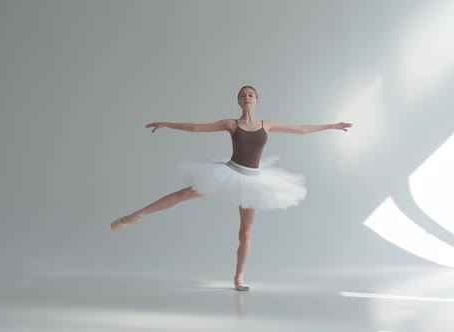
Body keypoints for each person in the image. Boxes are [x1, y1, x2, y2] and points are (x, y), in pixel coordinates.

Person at [110, 86, 352, 291]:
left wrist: (331, 125)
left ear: (257, 100)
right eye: (243, 95)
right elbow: (196, 128)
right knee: (184, 194)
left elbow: (301, 129)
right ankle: (136, 215)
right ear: (238, 100)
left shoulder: (266, 124)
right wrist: (166, 124)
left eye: (251, 94)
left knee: (245, 233)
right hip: (229, 173)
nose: (247, 97)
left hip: (253, 180)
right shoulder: (231, 123)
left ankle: (238, 278)